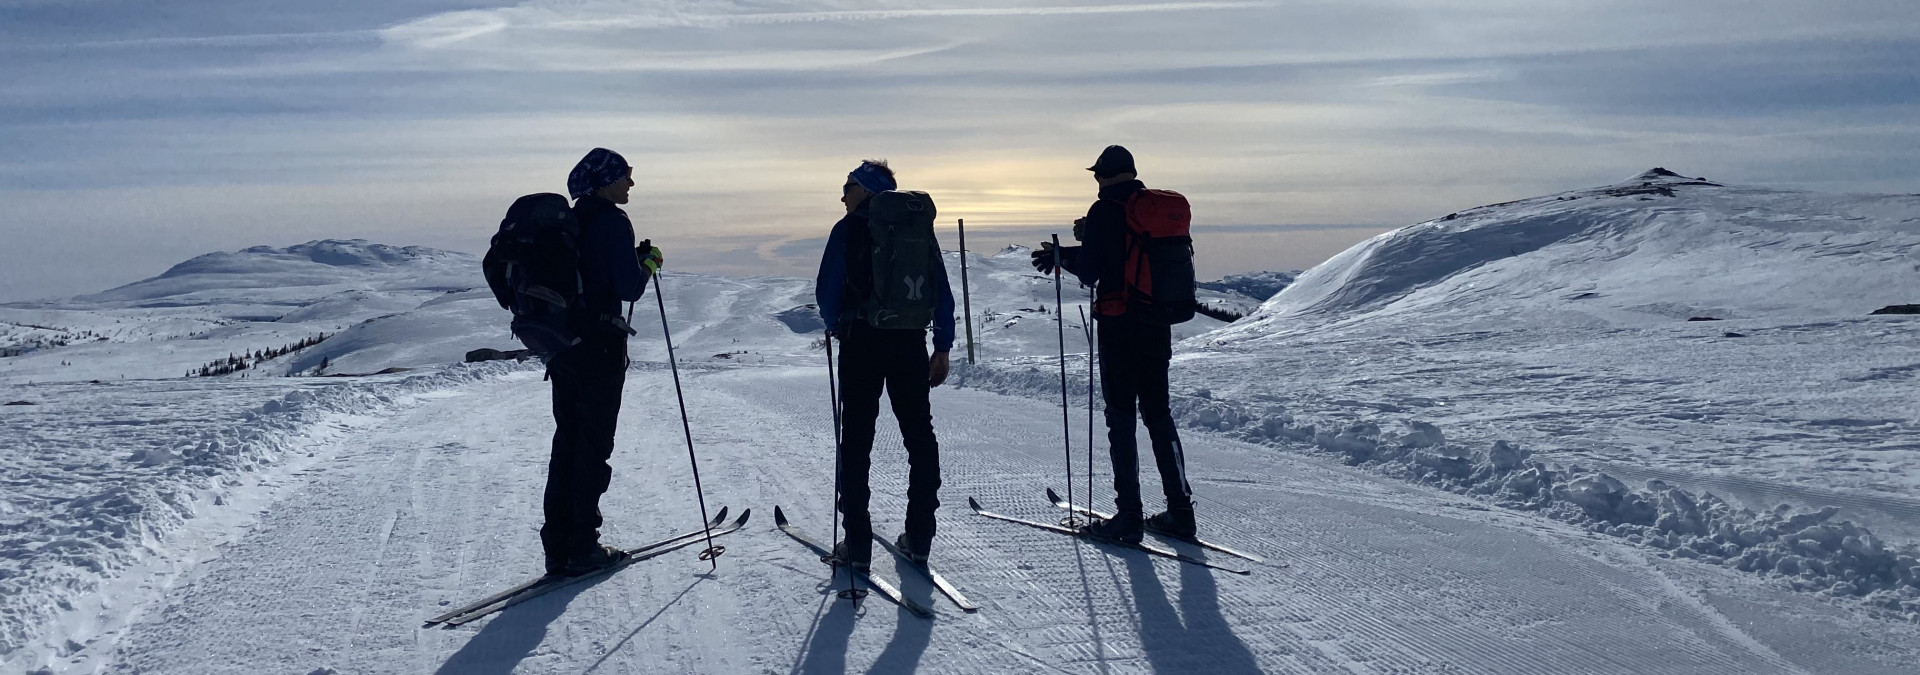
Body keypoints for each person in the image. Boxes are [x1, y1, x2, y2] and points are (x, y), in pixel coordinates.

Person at [1030, 145, 1196, 543]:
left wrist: (1064, 257)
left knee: (1120, 418)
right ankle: (1180, 510)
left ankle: (1129, 517)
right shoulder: (1149, 210)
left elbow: (1092, 272)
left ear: (1102, 175)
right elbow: (1121, 256)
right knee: (1158, 414)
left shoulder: (1104, 210)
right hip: (1156, 323)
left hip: (1120, 325)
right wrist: (1078, 247)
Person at [815, 159, 956, 569]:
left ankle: (857, 544)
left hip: (861, 340)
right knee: (919, 436)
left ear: (866, 189)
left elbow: (827, 291)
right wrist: (942, 346)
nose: (843, 195)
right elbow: (941, 291)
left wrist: (837, 325)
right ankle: (920, 537)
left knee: (857, 440)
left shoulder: (848, 229)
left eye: (848, 186)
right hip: (909, 342)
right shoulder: (917, 230)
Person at [540, 147, 665, 576]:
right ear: (605, 181)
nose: (631, 182)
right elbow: (629, 288)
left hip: (564, 347)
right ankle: (583, 547)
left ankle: (557, 547)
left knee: (567, 443)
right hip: (600, 348)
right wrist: (648, 263)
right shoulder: (612, 221)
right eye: (625, 174)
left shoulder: (571, 222)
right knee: (593, 446)